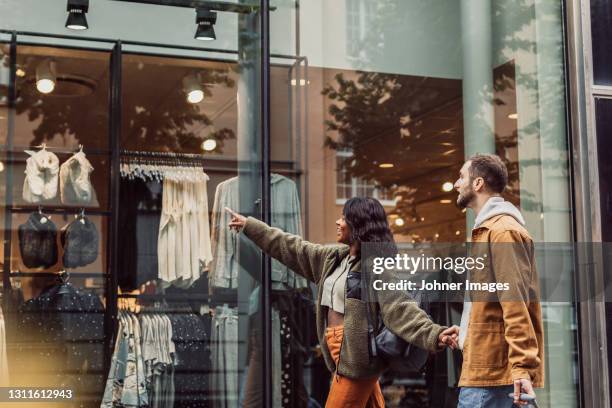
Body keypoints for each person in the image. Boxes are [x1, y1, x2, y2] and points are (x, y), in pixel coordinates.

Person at [226, 197, 459, 408]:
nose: (338, 222)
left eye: (344, 218)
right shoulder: (333, 258)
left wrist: (434, 334)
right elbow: (291, 247)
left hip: (357, 359)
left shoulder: (375, 268)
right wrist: (250, 226)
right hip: (336, 352)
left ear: (359, 225)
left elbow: (400, 307)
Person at [453, 154, 544, 407]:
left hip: (492, 374)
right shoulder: (485, 230)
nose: (456, 184)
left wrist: (522, 368)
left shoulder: (503, 231)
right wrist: (465, 333)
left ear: (478, 183)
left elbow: (515, 304)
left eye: (461, 177)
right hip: (483, 366)